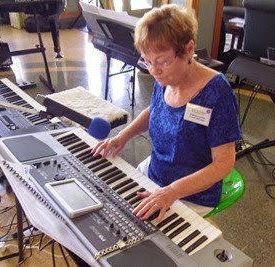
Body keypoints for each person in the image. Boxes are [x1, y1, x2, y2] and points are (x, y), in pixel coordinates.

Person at [91, 4, 242, 223]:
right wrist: (121, 137)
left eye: (162, 61)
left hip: (192, 193)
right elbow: (154, 110)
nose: (154, 70)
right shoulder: (165, 78)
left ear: (189, 50)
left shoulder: (217, 93)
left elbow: (223, 164)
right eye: (147, 61)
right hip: (155, 172)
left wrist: (171, 191)